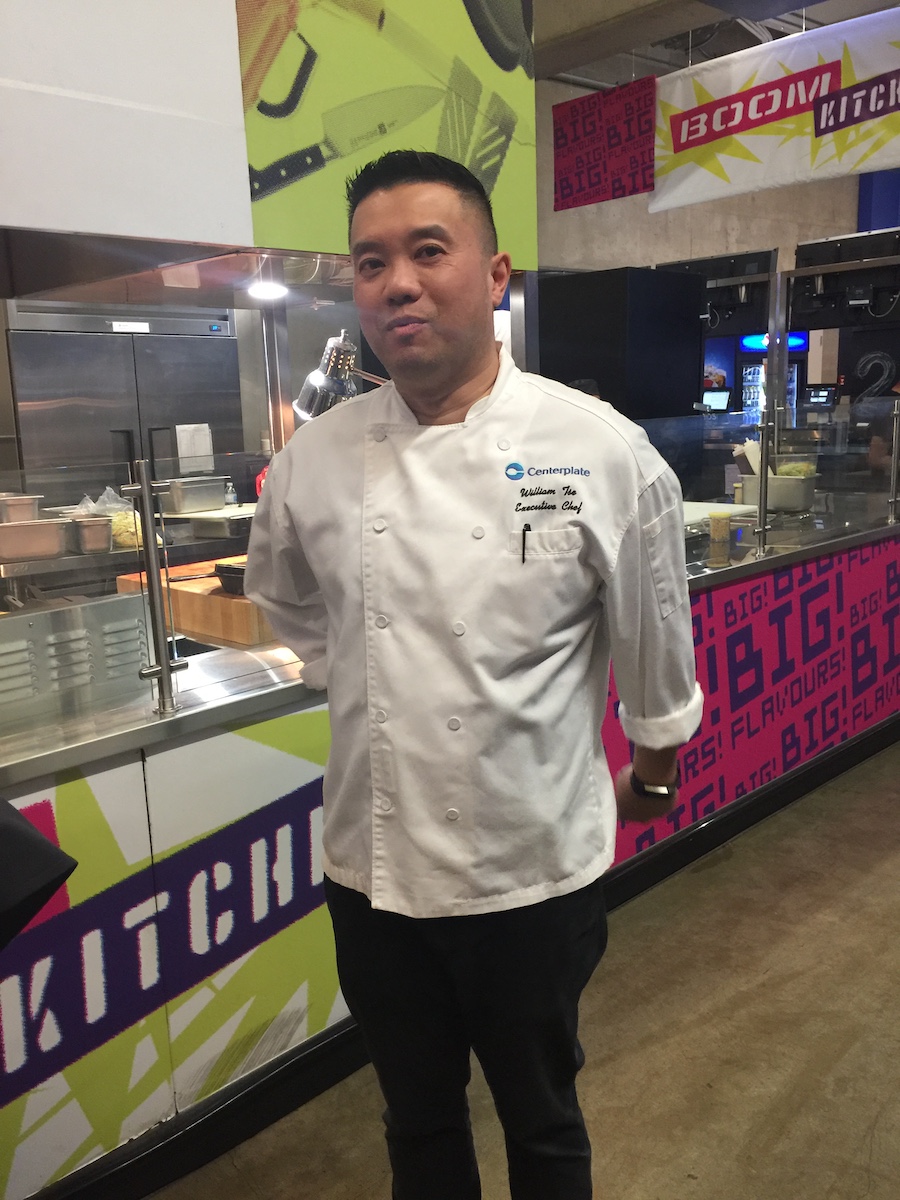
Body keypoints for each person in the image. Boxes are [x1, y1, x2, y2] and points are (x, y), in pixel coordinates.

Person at [245, 150, 703, 1200]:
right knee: (416, 1122)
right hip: (374, 874)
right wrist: (361, 671)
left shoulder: (599, 449)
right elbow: (284, 595)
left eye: (427, 252)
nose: (397, 284)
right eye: (371, 262)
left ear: (496, 274)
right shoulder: (315, 457)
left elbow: (656, 652)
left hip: (529, 873)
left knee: (543, 1122)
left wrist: (655, 777)